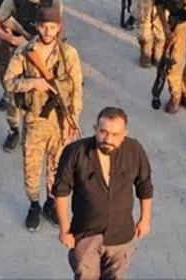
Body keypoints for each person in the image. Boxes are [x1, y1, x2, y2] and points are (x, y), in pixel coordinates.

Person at [3, 6, 83, 232]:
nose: (48, 32)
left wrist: (73, 119)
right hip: (35, 120)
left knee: (57, 167)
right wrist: (33, 83)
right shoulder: (25, 52)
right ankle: (34, 205)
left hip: (61, 121)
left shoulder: (69, 54)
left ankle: (50, 203)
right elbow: (9, 81)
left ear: (59, 28)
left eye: (52, 27)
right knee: (32, 167)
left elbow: (76, 89)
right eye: (44, 27)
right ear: (37, 27)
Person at [53, 107, 153, 280]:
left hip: (121, 236)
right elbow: (61, 192)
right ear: (95, 129)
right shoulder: (75, 152)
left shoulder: (134, 150)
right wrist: (64, 229)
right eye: (103, 132)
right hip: (86, 234)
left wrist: (145, 219)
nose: (108, 139)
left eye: (115, 134)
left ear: (124, 134)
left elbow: (144, 185)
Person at [0, 0, 62, 150]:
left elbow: (59, 29)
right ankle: (14, 130)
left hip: (43, 56)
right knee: (13, 98)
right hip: (16, 55)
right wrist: (15, 40)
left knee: (44, 94)